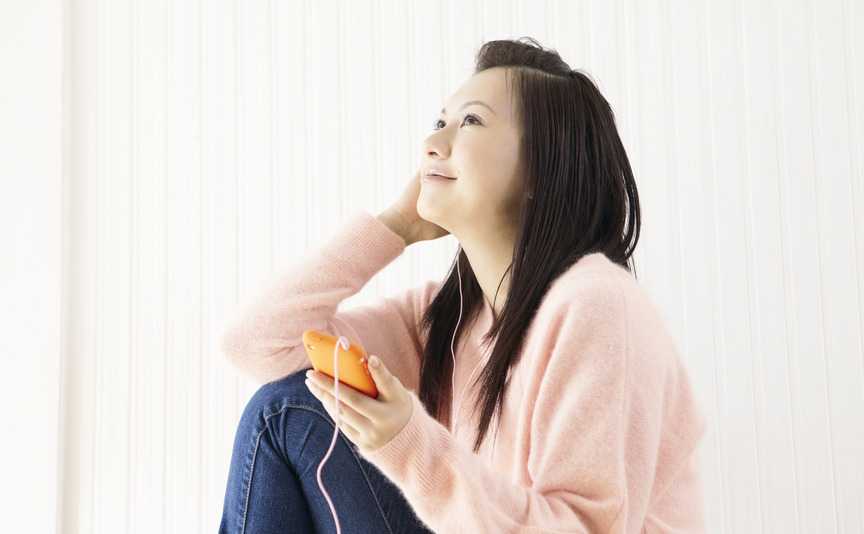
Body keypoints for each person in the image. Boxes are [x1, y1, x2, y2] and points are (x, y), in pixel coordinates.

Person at [219, 36, 708, 533]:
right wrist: (393, 227)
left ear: (541, 168)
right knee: (283, 408)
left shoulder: (596, 304)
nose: (433, 143)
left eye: (470, 121)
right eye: (440, 122)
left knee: (283, 412)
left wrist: (409, 443)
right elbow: (256, 344)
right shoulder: (447, 317)